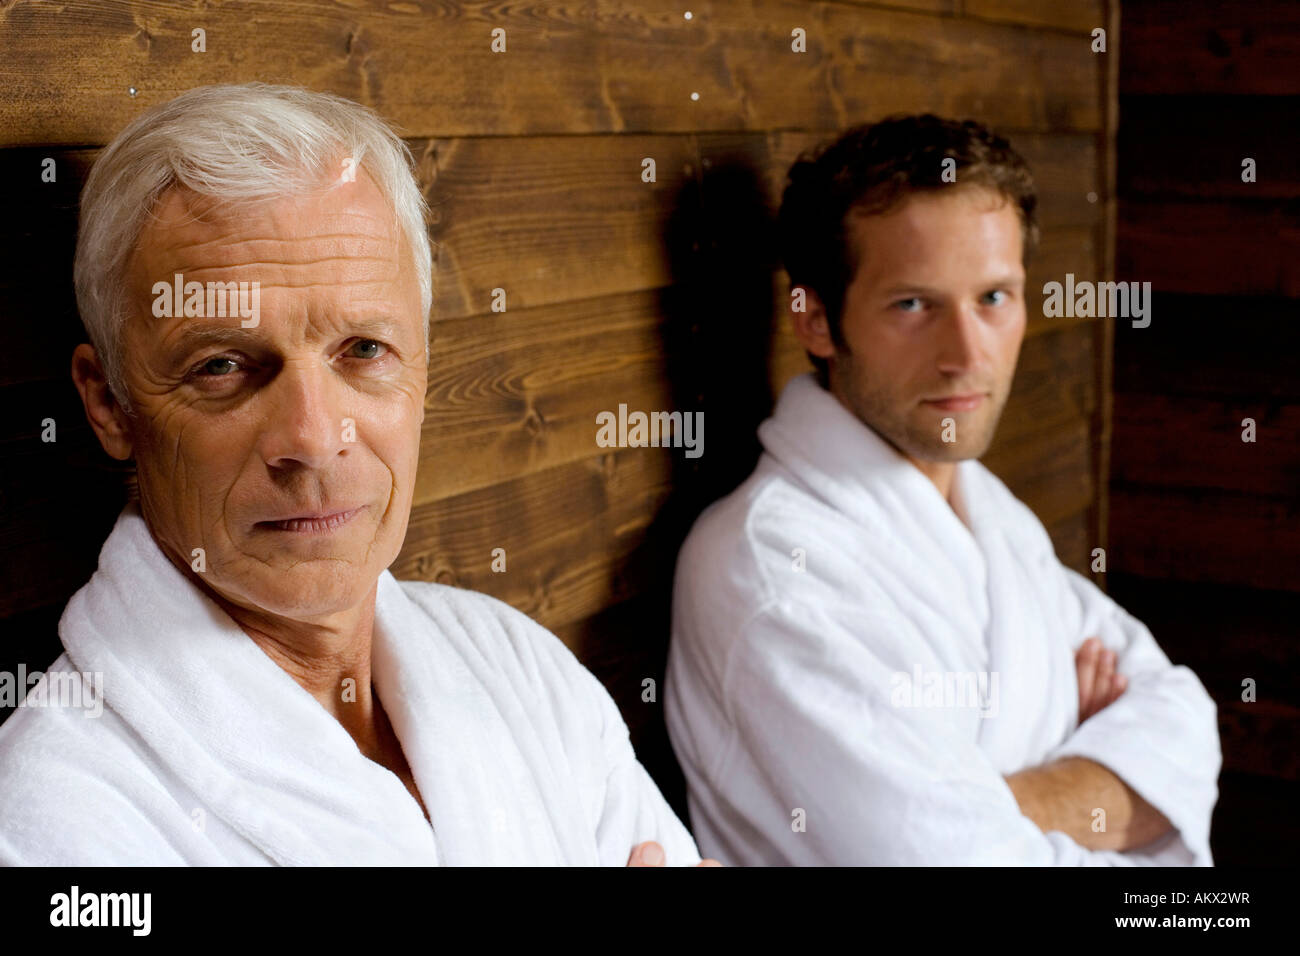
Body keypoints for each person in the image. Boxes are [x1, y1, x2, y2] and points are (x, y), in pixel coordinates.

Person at [0, 82, 707, 867]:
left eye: (364, 351)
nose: (313, 437)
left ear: (424, 370)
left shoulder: (515, 666)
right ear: (109, 405)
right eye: (223, 365)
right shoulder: (54, 821)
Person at [664, 115, 1221, 865]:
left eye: (994, 298)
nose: (967, 355)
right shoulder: (768, 570)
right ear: (818, 318)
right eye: (914, 305)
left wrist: (992, 800)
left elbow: (1184, 723)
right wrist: (1086, 766)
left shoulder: (989, 514)